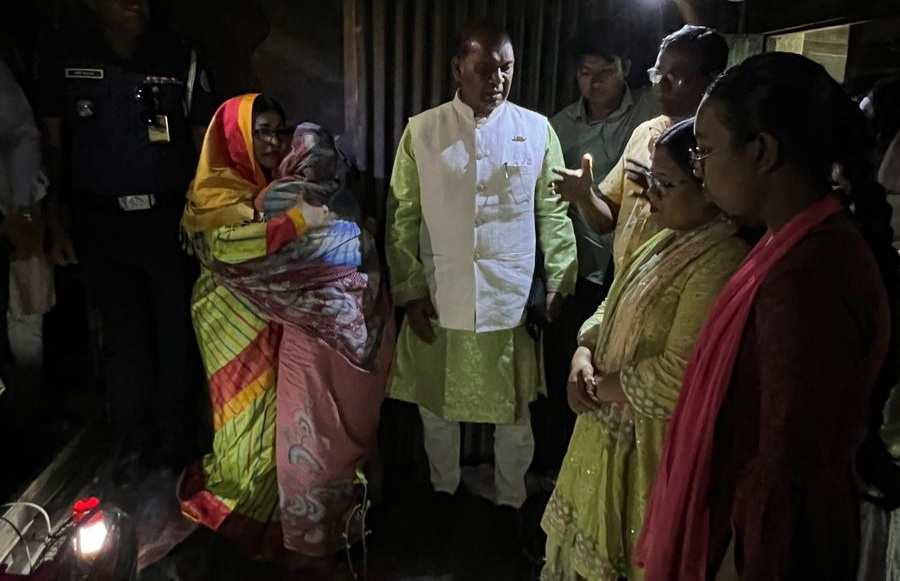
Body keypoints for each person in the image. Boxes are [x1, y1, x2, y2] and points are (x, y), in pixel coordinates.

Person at [635, 53, 897, 581]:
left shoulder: (810, 275)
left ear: (761, 151)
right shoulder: (789, 243)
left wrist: (738, 560)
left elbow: (786, 471)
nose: (699, 169)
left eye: (705, 151)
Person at [178, 95, 393, 574]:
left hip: (274, 319)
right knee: (241, 421)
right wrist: (301, 224)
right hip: (230, 320)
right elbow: (230, 250)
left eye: (279, 132)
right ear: (233, 138)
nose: (274, 142)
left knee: (278, 422)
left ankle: (278, 515)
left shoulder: (270, 187)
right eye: (262, 132)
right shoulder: (215, 191)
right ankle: (243, 510)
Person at [386, 20, 577, 529]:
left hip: (508, 297)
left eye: (506, 68)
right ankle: (443, 494)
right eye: (485, 68)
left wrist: (561, 277)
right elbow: (402, 214)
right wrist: (410, 291)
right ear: (458, 69)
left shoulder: (537, 130)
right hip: (440, 292)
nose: (498, 79)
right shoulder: (422, 131)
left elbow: (553, 212)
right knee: (436, 407)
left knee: (514, 411)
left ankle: (511, 503)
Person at [540, 119, 747, 581]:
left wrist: (597, 388)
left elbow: (678, 376)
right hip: (605, 424)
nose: (650, 195)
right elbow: (612, 303)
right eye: (649, 181)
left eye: (665, 185)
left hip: (649, 446)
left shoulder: (720, 261)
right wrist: (582, 353)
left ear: (710, 188)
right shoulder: (664, 238)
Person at [36, 0, 217, 475]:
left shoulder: (177, 53)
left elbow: (204, 141)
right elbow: (52, 147)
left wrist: (208, 218)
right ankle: (132, 441)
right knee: (122, 336)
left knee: (176, 332)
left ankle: (176, 444)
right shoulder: (66, 52)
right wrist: (55, 221)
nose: (135, 2)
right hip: (101, 221)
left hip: (169, 218)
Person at [534, 23, 660, 480]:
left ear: (626, 68)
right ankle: (558, 473)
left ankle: (611, 474)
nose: (594, 82)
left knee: (620, 376)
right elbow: (548, 207)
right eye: (585, 73)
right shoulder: (560, 127)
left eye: (604, 71)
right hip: (583, 269)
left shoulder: (651, 114)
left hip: (637, 268)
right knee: (568, 374)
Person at [551, 25, 729, 276]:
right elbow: (606, 222)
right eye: (657, 74)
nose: (660, 86)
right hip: (624, 282)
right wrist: (584, 196)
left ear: (712, 80)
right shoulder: (644, 133)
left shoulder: (718, 150)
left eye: (674, 78)